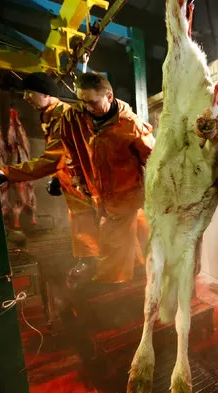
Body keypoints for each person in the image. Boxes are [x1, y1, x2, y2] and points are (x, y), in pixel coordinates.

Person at [0, 72, 99, 285]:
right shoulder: (52, 115)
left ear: (45, 94)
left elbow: (52, 158)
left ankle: (104, 273)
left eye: (29, 93)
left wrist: (7, 172)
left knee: (98, 225)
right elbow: (63, 153)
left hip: (89, 184)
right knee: (85, 223)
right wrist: (57, 176)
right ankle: (92, 265)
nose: (25, 98)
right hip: (78, 185)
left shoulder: (64, 116)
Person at [61, 72, 154, 284]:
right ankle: (142, 272)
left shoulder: (131, 125)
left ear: (109, 97)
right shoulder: (73, 117)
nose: (86, 107)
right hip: (98, 193)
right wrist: (78, 178)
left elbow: (153, 159)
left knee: (114, 243)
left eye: (92, 102)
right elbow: (70, 150)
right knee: (138, 235)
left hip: (127, 194)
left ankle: (111, 286)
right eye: (82, 101)